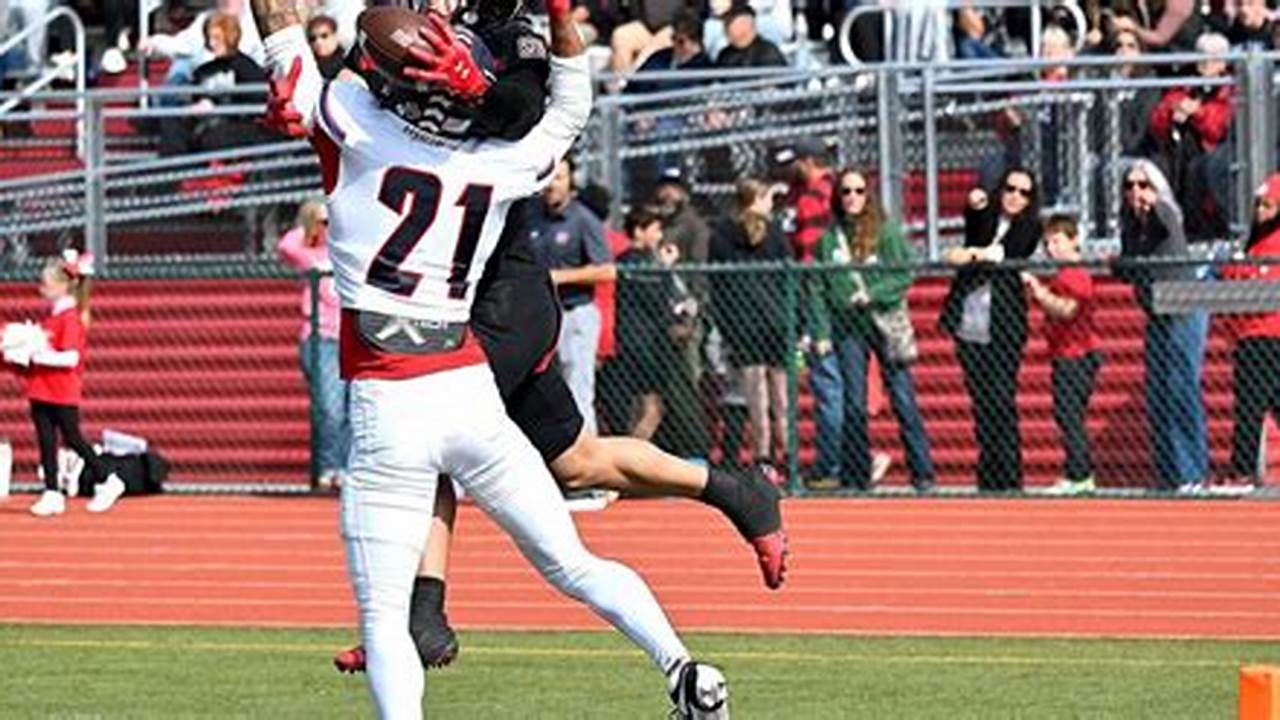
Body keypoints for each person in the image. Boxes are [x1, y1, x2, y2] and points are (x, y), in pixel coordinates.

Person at [247, 2, 731, 717]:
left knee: (384, 621)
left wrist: (290, 64)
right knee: (573, 563)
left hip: (391, 400)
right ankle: (685, 670)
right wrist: (562, 16)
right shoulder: (503, 163)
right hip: (469, 390)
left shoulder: (349, 122)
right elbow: (571, 101)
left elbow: (281, 23)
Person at [810, 169, 936, 493]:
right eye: (846, 192)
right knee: (854, 402)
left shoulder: (886, 232)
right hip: (848, 327)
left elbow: (904, 273)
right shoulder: (828, 239)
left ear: (869, 195)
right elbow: (818, 289)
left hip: (883, 323)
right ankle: (856, 474)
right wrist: (821, 331)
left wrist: (874, 293)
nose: (852, 197)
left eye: (859, 191)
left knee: (903, 399)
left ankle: (922, 473)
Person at [940, 167, 1041, 492]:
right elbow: (977, 230)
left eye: (1024, 193)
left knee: (1001, 399)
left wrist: (969, 255)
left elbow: (1003, 254)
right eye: (1010, 188)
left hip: (1004, 326)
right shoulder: (989, 217)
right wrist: (978, 206)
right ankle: (988, 477)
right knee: (981, 402)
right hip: (971, 324)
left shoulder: (1029, 225)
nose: (1015, 196)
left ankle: (1009, 476)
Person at [5, 251, 126, 516]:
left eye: (45, 284)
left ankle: (107, 478)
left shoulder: (69, 318)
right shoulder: (52, 317)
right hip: (41, 388)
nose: (41, 288)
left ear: (62, 287)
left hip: (61, 391)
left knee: (73, 438)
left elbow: (70, 358)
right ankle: (51, 491)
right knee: (46, 441)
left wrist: (35, 355)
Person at [1116, 159, 1210, 493]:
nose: (1136, 193)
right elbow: (1126, 267)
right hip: (1157, 311)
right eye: (1130, 186)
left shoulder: (1164, 214)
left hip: (1181, 307)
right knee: (1158, 392)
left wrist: (1152, 205)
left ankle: (1192, 473)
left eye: (1144, 185)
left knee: (1181, 388)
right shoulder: (1131, 224)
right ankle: (1170, 472)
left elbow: (1160, 226)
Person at [525, 158, 614, 433]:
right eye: (549, 177)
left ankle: (588, 464)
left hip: (574, 314)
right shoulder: (530, 215)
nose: (553, 185)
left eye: (560, 178)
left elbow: (606, 270)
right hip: (538, 317)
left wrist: (559, 278)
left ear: (570, 182)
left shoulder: (583, 219)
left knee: (578, 390)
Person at [708, 179, 789, 474]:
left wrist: (727, 326)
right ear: (756, 199)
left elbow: (718, 288)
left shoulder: (720, 234)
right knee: (781, 398)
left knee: (756, 397)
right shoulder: (775, 233)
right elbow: (787, 282)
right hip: (776, 322)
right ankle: (787, 458)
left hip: (743, 324)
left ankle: (763, 458)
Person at [1022, 215, 1102, 496]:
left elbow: (1067, 309)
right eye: (1047, 243)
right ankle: (1075, 471)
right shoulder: (1063, 274)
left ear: (1073, 240)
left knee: (1070, 415)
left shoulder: (1075, 275)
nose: (1050, 248)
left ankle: (1080, 474)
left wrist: (1039, 292)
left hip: (1076, 355)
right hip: (1064, 352)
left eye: (1057, 241)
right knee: (1066, 414)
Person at [277, 200, 347, 489]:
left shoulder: (346, 251)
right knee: (330, 407)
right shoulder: (309, 253)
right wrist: (310, 224)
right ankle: (329, 467)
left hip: (353, 338)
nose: (329, 229)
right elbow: (286, 245)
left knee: (355, 409)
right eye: (323, 223)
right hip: (324, 338)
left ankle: (348, 468)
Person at [1218, 174, 1280, 491]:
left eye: (1268, 205)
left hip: (1267, 335)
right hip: (1250, 334)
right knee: (1259, 403)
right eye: (1258, 205)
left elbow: (1258, 286)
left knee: (1250, 406)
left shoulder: (1274, 242)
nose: (1260, 212)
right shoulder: (1254, 243)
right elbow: (1234, 279)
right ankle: (1241, 470)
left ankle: (1241, 470)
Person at [1148, 32, 1235, 240]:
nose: (1204, 63)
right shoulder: (1186, 85)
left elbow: (1219, 127)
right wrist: (1173, 111)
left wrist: (1197, 113)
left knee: (1202, 168)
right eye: (1201, 56)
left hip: (1215, 155)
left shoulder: (1230, 88)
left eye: (1212, 58)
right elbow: (1156, 120)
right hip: (1180, 155)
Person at [714, 3, 787, 68]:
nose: (725, 28)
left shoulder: (768, 53)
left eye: (729, 23)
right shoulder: (724, 54)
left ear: (745, 26)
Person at [306, 14, 346, 79]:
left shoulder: (350, 62)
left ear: (335, 36)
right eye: (312, 38)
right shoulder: (310, 67)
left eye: (324, 36)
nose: (318, 42)